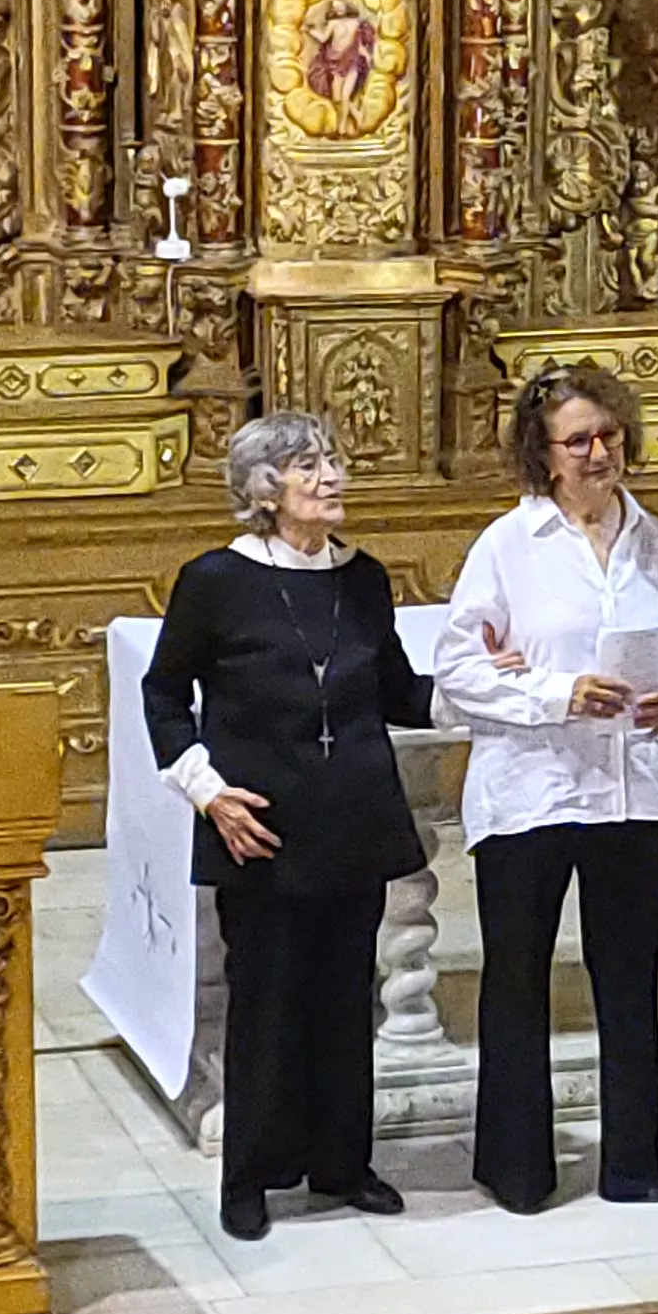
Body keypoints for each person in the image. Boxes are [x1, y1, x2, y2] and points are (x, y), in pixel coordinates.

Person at [141, 413, 434, 1242]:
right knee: (266, 1003)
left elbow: (398, 692)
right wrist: (208, 793)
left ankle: (342, 1163)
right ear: (265, 489)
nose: (333, 476)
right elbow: (165, 694)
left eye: (333, 461)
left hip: (353, 821)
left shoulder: (365, 578)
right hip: (259, 827)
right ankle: (252, 1176)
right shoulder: (215, 581)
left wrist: (492, 683)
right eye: (309, 466)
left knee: (347, 1000)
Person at [437, 363, 658, 1212]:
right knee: (518, 979)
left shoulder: (654, 541)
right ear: (542, 456)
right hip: (533, 791)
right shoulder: (509, 546)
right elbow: (457, 667)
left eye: (609, 436)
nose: (598, 453)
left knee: (629, 978)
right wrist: (557, 694)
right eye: (578, 441)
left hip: (630, 789)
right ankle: (517, 1168)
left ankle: (633, 1162)